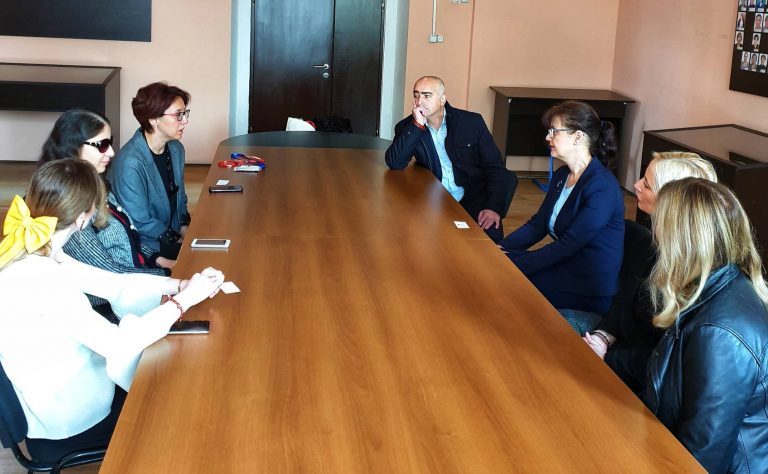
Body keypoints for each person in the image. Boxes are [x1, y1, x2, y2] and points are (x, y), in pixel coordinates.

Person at [0, 159, 224, 464]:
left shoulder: (36, 254)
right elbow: (118, 344)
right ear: (83, 218)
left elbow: (116, 284)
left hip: (47, 397)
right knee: (178, 395)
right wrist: (182, 302)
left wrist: (179, 285)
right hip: (69, 416)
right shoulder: (47, 281)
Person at [640, 178, 768, 472]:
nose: (654, 231)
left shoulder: (719, 334)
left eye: (659, 222)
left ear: (681, 239)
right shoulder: (718, 287)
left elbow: (701, 458)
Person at [579, 153, 717, 392]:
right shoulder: (653, 244)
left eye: (647, 183)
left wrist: (608, 357)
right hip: (617, 348)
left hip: (643, 382)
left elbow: (662, 358)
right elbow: (624, 302)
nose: (636, 185)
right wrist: (602, 337)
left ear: (671, 198)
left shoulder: (695, 276)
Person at [39, 109, 175, 320]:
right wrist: (170, 276)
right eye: (102, 145)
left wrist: (160, 260)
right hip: (108, 310)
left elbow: (129, 235)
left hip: (138, 285)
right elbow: (109, 273)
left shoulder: (95, 182)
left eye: (110, 142)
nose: (111, 152)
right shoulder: (64, 201)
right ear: (73, 146)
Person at [499, 101, 624, 314]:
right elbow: (537, 225)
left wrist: (516, 261)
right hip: (567, 264)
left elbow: (569, 244)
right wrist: (501, 248)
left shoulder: (602, 187)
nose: (548, 137)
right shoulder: (561, 175)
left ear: (577, 137)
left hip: (588, 284)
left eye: (554, 131)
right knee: (501, 267)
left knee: (509, 280)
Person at [385, 76, 515, 242]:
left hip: (473, 198)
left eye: (427, 95)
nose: (420, 101)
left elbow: (495, 168)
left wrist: (493, 207)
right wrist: (417, 125)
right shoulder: (407, 127)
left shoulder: (471, 123)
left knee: (489, 240)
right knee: (422, 241)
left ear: (442, 99)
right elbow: (395, 162)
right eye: (416, 95)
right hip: (432, 200)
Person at [109, 82, 192, 260]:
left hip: (172, 235)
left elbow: (180, 197)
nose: (185, 120)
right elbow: (140, 220)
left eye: (185, 113)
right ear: (153, 119)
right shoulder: (130, 162)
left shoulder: (176, 149)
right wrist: (179, 240)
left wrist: (185, 229)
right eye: (178, 115)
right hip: (145, 245)